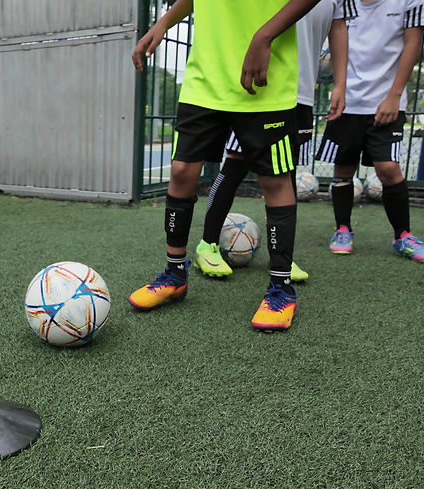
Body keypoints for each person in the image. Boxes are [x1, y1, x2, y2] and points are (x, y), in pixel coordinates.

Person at [127, 0, 322, 332]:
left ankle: (281, 288)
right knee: (181, 171)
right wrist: (163, 23)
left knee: (275, 180)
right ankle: (175, 274)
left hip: (264, 76)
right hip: (205, 78)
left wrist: (265, 35)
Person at [195, 0, 351, 284]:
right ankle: (208, 244)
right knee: (235, 162)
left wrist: (340, 84)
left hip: (302, 89)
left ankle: (281, 258)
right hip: (261, 84)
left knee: (285, 170)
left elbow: (338, 27)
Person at [315, 0, 424, 263]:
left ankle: (403, 236)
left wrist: (394, 95)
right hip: (347, 101)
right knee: (343, 167)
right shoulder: (342, 2)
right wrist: (338, 86)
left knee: (388, 168)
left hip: (386, 102)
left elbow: (412, 44)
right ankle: (343, 229)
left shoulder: (410, 1)